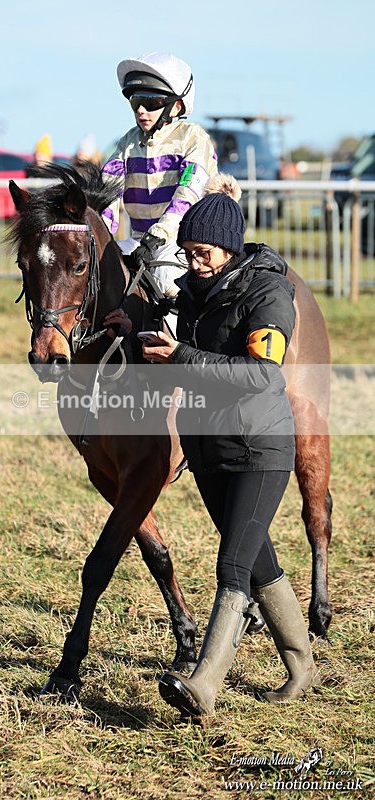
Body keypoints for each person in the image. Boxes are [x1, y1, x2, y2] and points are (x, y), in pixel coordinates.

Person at [109, 174, 321, 723]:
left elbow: (260, 376)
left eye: (202, 253)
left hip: (259, 448)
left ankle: (203, 685)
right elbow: (168, 341)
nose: (194, 263)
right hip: (209, 451)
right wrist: (130, 327)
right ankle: (302, 668)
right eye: (187, 254)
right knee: (260, 562)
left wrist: (178, 356)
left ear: (228, 248)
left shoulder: (270, 292)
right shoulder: (197, 291)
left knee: (231, 566)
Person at [102, 52, 218, 306]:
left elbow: (188, 192)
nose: (141, 110)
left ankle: (177, 344)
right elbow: (108, 189)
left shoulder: (194, 138)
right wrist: (101, 232)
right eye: (135, 102)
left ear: (176, 106)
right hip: (139, 238)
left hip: (183, 241)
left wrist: (159, 234)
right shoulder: (128, 142)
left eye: (150, 101)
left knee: (165, 279)